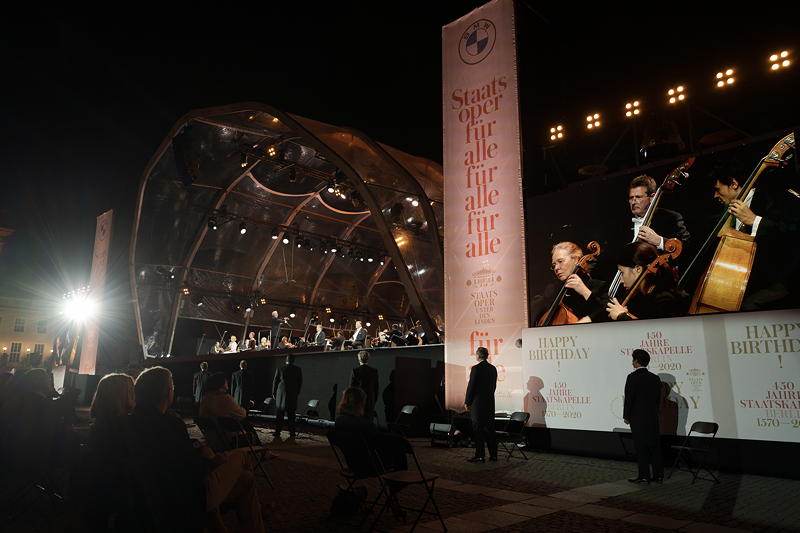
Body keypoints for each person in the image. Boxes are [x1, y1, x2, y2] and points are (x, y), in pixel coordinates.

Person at [131, 366, 265, 532]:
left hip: (148, 495)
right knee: (242, 461)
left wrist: (196, 449)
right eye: (172, 386)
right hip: (184, 497)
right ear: (166, 392)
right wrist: (209, 457)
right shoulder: (170, 424)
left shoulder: (130, 422)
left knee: (245, 479)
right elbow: (190, 469)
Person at [709, 171, 800, 310]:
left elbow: (793, 233)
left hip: (781, 280)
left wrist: (755, 221)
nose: (715, 195)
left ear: (733, 184)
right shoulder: (726, 214)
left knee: (747, 306)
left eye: (717, 189)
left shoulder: (775, 197)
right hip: (747, 282)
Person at [606, 242, 689, 321]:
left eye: (622, 272)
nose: (620, 280)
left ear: (638, 269)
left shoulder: (664, 299)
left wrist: (622, 316)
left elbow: (654, 333)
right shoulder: (642, 295)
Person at [533, 241, 610, 325]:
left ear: (576, 259)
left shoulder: (598, 286)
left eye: (560, 261)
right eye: (554, 265)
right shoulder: (555, 292)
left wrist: (584, 291)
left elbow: (607, 314)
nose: (556, 268)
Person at [623, 349, 664, 484]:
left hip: (637, 418)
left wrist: (626, 415)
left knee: (641, 447)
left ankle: (644, 475)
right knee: (654, 446)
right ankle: (658, 475)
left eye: (633, 359)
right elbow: (658, 399)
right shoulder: (655, 378)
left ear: (636, 361)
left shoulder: (632, 377)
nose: (632, 362)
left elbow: (629, 398)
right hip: (652, 417)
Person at [626, 174, 691, 253]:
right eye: (631, 198)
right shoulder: (623, 224)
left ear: (652, 197)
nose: (633, 202)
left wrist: (660, 241)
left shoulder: (671, 217)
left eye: (638, 197)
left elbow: (687, 246)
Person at [464, 346, 497, 463]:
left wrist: (467, 401)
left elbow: (471, 386)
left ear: (478, 355)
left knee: (478, 429)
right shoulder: (493, 369)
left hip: (477, 404)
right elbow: (493, 387)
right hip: (489, 403)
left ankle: (480, 455)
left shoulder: (476, 368)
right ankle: (493, 455)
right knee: (490, 429)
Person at [273, 354, 302, 438]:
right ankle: (292, 432)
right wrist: (296, 393)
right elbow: (300, 383)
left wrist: (274, 393)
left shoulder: (280, 369)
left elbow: (275, 382)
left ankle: (278, 432)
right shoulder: (298, 370)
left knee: (280, 415)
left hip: (281, 395)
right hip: (292, 395)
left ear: (286, 360)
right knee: (291, 415)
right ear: (293, 360)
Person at [350, 350, 378, 421]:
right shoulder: (374, 371)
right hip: (370, 400)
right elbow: (376, 388)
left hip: (358, 400)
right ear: (368, 358)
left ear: (359, 359)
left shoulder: (355, 371)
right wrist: (373, 400)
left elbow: (352, 388)